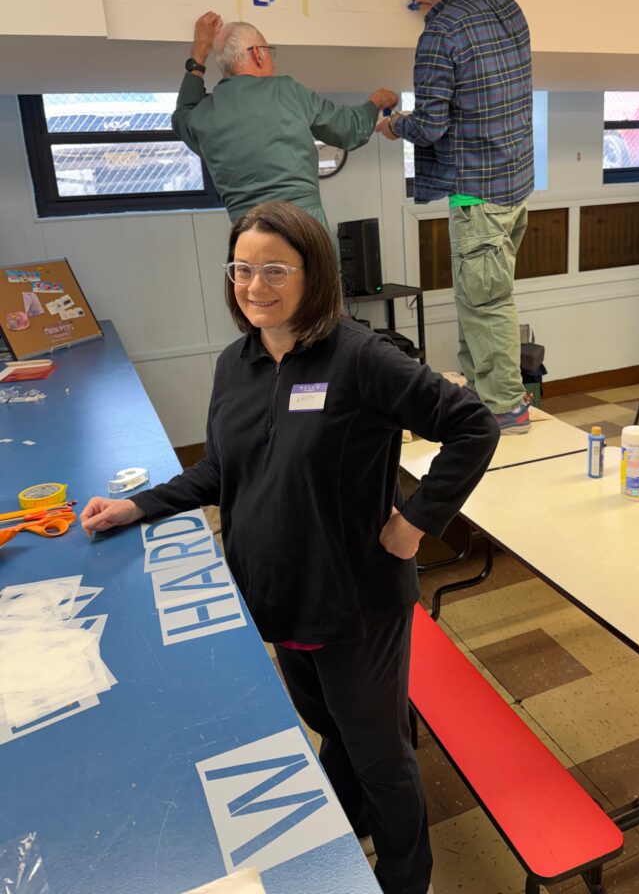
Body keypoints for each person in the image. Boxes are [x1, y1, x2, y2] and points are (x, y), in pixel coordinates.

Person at [80, 201, 499, 894]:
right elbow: (225, 469)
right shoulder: (236, 363)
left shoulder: (361, 358)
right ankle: (348, 826)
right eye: (241, 269)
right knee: (330, 725)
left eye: (275, 269)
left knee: (381, 758)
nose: (255, 286)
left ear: (315, 274)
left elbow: (473, 426)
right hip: (278, 596)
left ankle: (407, 877)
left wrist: (416, 521)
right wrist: (140, 503)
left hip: (355, 603)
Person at [377, 0, 535, 435]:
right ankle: (484, 393)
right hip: (515, 185)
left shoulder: (440, 34)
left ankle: (506, 407)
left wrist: (394, 125)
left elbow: (430, 126)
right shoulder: (508, 6)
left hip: (476, 194)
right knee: (478, 297)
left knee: (485, 303)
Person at [172, 12, 398, 231]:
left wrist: (199, 54)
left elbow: (182, 114)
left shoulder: (203, 115)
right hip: (302, 228)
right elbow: (349, 130)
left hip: (248, 237)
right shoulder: (287, 91)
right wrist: (377, 100)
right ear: (258, 54)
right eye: (269, 51)